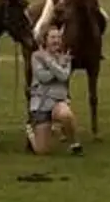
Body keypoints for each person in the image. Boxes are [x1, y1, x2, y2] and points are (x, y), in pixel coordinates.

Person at [27, 20, 82, 156]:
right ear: (44, 40)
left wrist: (50, 63)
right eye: (52, 37)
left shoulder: (66, 57)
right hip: (41, 103)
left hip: (58, 101)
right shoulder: (36, 56)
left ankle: (74, 144)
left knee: (66, 114)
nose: (56, 40)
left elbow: (64, 76)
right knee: (42, 151)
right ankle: (30, 131)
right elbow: (43, 77)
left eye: (58, 37)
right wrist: (54, 63)